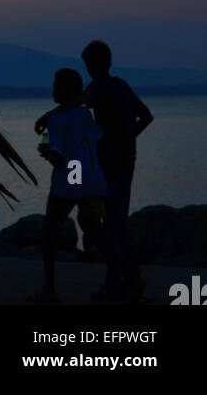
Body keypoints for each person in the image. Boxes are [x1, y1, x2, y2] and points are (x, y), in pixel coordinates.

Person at [35, 41, 153, 299]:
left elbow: (78, 101)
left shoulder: (98, 88)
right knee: (112, 224)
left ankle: (117, 282)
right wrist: (127, 138)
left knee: (99, 226)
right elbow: (146, 116)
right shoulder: (121, 86)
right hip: (124, 160)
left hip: (104, 164)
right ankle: (124, 279)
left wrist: (47, 116)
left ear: (91, 65)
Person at [28, 67, 130, 304]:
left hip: (70, 182)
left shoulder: (56, 120)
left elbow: (57, 157)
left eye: (55, 85)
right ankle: (129, 274)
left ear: (62, 90)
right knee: (96, 230)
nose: (52, 89)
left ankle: (49, 289)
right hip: (93, 180)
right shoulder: (86, 115)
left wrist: (46, 153)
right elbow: (95, 139)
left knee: (50, 232)